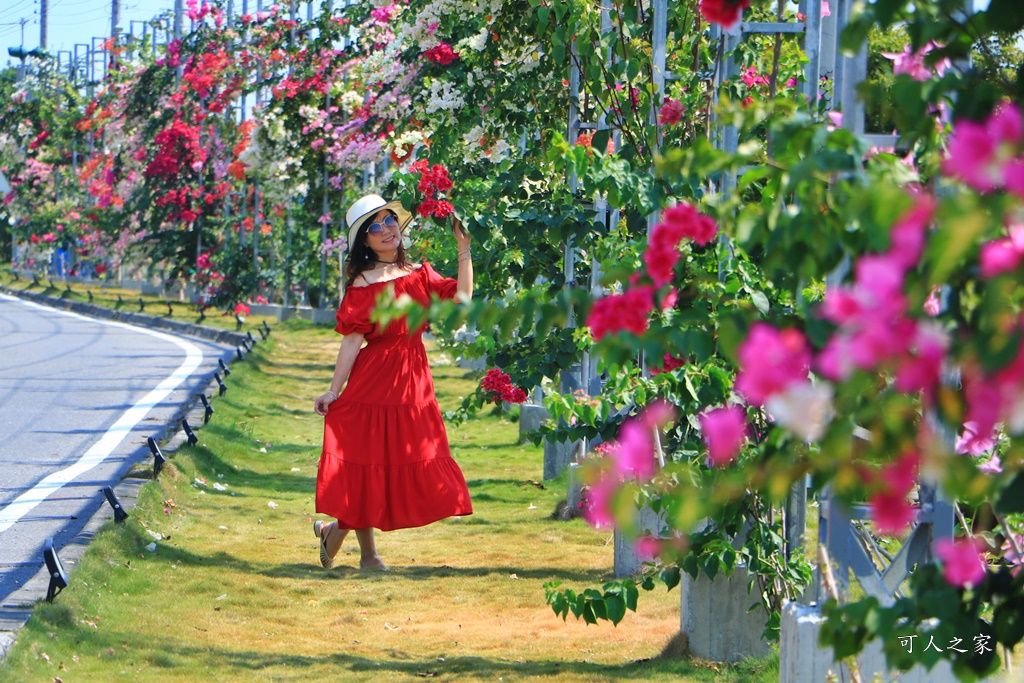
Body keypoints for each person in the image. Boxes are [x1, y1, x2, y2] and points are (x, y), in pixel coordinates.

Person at [312, 193, 474, 570]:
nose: (386, 230)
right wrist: (334, 390)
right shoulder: (362, 284)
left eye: (389, 221)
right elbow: (352, 340)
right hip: (374, 379)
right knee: (366, 464)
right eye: (375, 227)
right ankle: (368, 556)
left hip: (413, 380)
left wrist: (463, 249)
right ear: (364, 241)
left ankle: (333, 532)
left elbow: (463, 300)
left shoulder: (420, 273)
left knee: (406, 460)